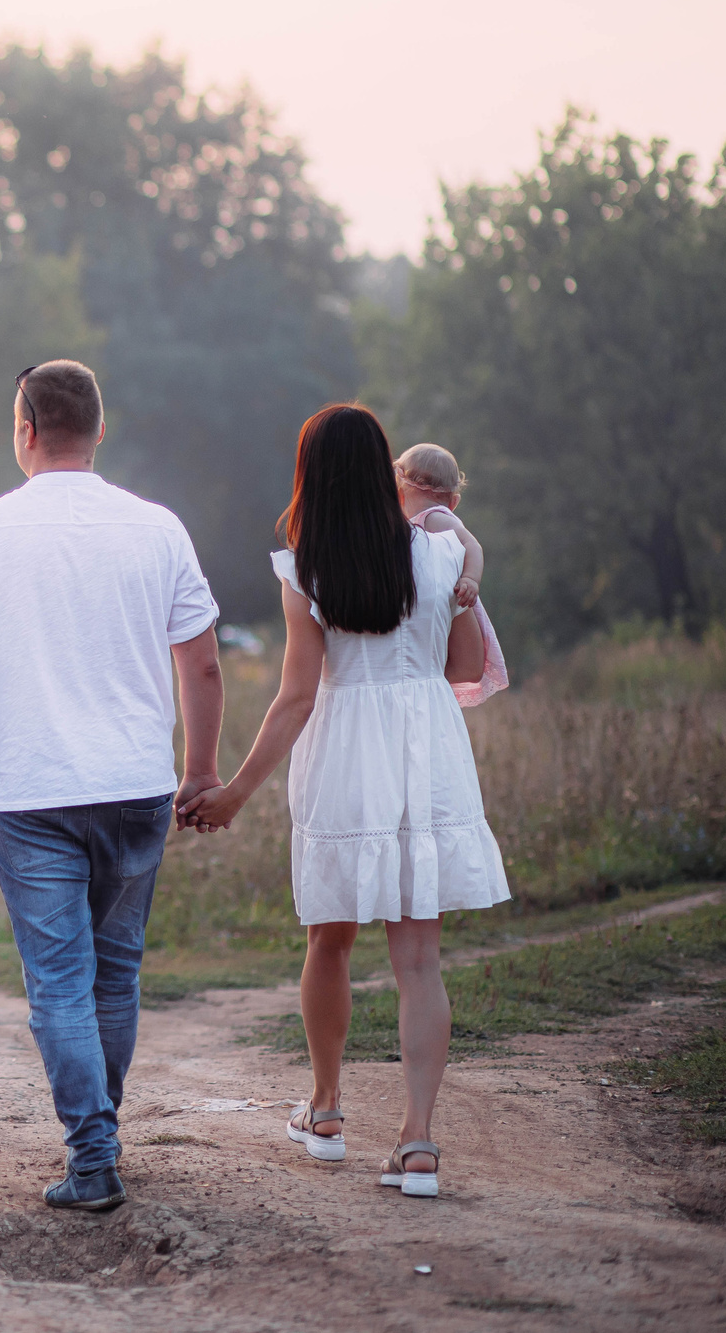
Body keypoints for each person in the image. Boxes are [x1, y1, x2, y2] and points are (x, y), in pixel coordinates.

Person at [181, 405, 508, 1199]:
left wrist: (234, 794)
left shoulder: (307, 571)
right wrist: (456, 601)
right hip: (426, 751)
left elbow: (296, 699)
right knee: (419, 958)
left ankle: (326, 1109)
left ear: (312, 477)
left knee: (328, 940)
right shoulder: (439, 556)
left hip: (345, 755)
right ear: (382, 469)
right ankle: (418, 1140)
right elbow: (463, 667)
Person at [0, 361, 224, 1212]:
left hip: (33, 796)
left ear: (24, 430)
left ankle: (92, 1153)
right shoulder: (158, 528)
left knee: (59, 980)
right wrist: (200, 769)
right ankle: (101, 1132)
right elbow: (200, 661)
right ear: (101, 428)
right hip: (136, 784)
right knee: (115, 973)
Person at [393, 442, 509, 707]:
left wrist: (470, 578)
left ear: (400, 494)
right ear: (454, 500)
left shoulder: (435, 518)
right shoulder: (427, 520)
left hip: (459, 594)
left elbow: (472, 545)